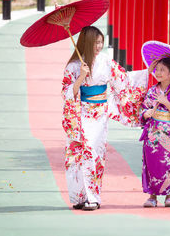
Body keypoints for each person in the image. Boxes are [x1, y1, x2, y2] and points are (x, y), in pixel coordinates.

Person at [61, 26, 148, 210]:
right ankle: (79, 197)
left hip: (99, 115)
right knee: (75, 155)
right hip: (79, 113)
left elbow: (123, 80)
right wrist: (81, 77)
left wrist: (148, 73)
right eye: (96, 43)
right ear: (86, 43)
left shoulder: (106, 61)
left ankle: (93, 197)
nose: (99, 46)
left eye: (101, 42)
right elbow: (67, 93)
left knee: (93, 152)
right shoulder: (74, 66)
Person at [139, 57, 170, 208]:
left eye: (163, 70)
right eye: (157, 69)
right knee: (152, 163)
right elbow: (143, 108)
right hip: (153, 133)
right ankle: (152, 196)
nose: (158, 73)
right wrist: (145, 113)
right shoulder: (151, 91)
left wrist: (166, 102)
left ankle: (169, 196)